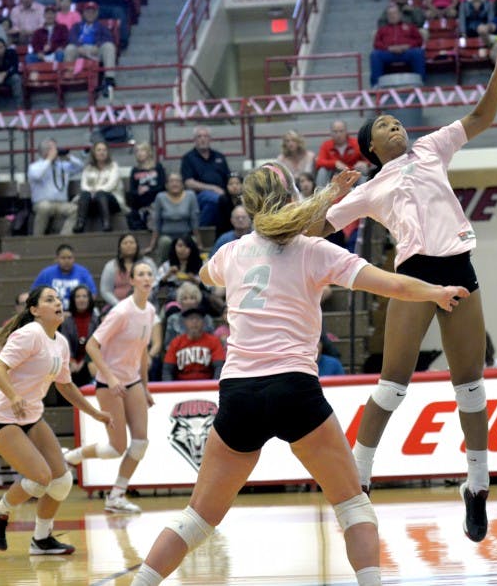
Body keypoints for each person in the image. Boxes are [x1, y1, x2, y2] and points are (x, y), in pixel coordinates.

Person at [130, 163, 469, 586]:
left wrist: (306, 211)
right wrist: (437, 292)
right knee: (353, 507)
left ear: (250, 207)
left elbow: (204, 274)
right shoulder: (314, 250)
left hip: (239, 394)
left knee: (197, 518)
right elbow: (395, 286)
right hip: (294, 388)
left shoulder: (231, 253)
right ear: (293, 198)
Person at [320, 36, 497, 544]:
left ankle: (477, 485)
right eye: (385, 125)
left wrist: (496, 75)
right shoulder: (368, 188)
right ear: (371, 147)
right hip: (413, 275)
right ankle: (359, 478)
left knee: (470, 386)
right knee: (392, 385)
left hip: (459, 267)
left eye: (397, 121)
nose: (396, 126)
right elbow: (320, 226)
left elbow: (481, 117)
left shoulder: (431, 147)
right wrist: (326, 196)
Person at [0, 286, 112, 555]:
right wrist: (13, 396)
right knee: (41, 478)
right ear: (35, 310)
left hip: (31, 417)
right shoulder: (30, 334)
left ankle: (41, 540)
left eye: (58, 299)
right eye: (49, 299)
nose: (57, 303)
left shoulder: (60, 342)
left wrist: (94, 413)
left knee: (61, 481)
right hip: (2, 418)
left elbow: (65, 385)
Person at [64, 262, 158, 514]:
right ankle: (72, 457)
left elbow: (142, 352)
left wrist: (145, 387)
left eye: (149, 274)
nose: (146, 278)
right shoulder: (121, 312)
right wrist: (110, 377)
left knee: (140, 443)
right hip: (109, 383)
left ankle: (116, 496)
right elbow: (92, 346)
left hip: (133, 381)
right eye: (141, 274)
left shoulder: (150, 310)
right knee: (116, 447)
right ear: (132, 281)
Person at [181, 126, 231, 228]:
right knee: (217, 199)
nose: (203, 139)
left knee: (211, 206)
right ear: (194, 140)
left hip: (221, 193)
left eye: (205, 136)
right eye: (199, 136)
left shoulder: (219, 156)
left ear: (210, 139)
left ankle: (202, 231)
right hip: (199, 195)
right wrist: (213, 188)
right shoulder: (188, 158)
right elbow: (188, 182)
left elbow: (228, 177)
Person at [146, 172, 201, 263]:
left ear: (182, 184)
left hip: (186, 235)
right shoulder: (160, 197)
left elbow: (194, 220)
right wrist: (152, 246)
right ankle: (162, 268)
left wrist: (199, 243)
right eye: (171, 181)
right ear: (166, 185)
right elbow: (157, 222)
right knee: (164, 242)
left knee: (192, 242)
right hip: (167, 235)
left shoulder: (190, 196)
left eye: (177, 181)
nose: (174, 184)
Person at [162, 307, 226, 381]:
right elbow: (167, 370)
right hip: (181, 385)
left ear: (203, 322)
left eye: (198, 318)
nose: (194, 322)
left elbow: (219, 367)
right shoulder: (176, 342)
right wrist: (170, 386)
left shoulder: (213, 341)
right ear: (185, 322)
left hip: (207, 384)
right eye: (191, 319)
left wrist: (215, 385)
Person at [74, 141, 124, 233]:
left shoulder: (114, 166)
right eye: (99, 150)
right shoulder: (88, 167)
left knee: (101, 194)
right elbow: (83, 185)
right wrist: (91, 192)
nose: (102, 152)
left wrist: (96, 191)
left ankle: (106, 224)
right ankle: (80, 224)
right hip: (92, 201)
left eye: (104, 150)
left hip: (111, 201)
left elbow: (111, 185)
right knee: (84, 194)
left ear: (108, 152)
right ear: (94, 152)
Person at [58, 285, 101, 389]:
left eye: (84, 296)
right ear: (73, 300)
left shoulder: (96, 320)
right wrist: (72, 360)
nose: (81, 299)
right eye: (78, 296)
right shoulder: (66, 322)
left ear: (89, 299)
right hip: (71, 363)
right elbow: (64, 344)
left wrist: (84, 361)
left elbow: (98, 344)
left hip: (90, 361)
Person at [32, 244, 98, 308]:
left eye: (69, 258)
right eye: (63, 258)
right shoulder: (46, 273)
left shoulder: (83, 272)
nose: (67, 261)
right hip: (52, 312)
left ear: (74, 258)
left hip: (76, 313)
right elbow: (33, 293)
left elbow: (93, 294)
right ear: (57, 259)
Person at [100, 233, 155, 308]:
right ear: (119, 247)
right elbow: (105, 291)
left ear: (137, 246)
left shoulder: (148, 263)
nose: (128, 245)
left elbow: (154, 284)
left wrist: (141, 301)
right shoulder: (111, 266)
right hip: (117, 306)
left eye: (132, 243)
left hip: (145, 304)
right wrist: (119, 305)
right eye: (125, 243)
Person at [314, 120, 368, 188]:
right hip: (334, 176)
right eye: (335, 132)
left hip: (352, 174)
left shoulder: (356, 143)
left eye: (341, 131)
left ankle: (364, 192)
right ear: (331, 133)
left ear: (346, 132)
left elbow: (369, 158)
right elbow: (319, 162)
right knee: (322, 170)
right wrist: (335, 163)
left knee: (363, 169)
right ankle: (321, 193)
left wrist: (365, 163)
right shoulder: (326, 145)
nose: (338, 134)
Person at [126, 142, 166, 231]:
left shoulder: (158, 167)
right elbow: (132, 190)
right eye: (137, 151)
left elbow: (162, 186)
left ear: (148, 152)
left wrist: (148, 189)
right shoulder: (135, 170)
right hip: (140, 202)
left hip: (155, 199)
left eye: (142, 150)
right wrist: (138, 192)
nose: (139, 153)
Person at [215, 172, 243, 237]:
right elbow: (220, 224)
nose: (234, 186)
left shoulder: (246, 199)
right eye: (231, 184)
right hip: (227, 233)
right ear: (226, 186)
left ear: (242, 185)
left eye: (237, 183)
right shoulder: (222, 200)